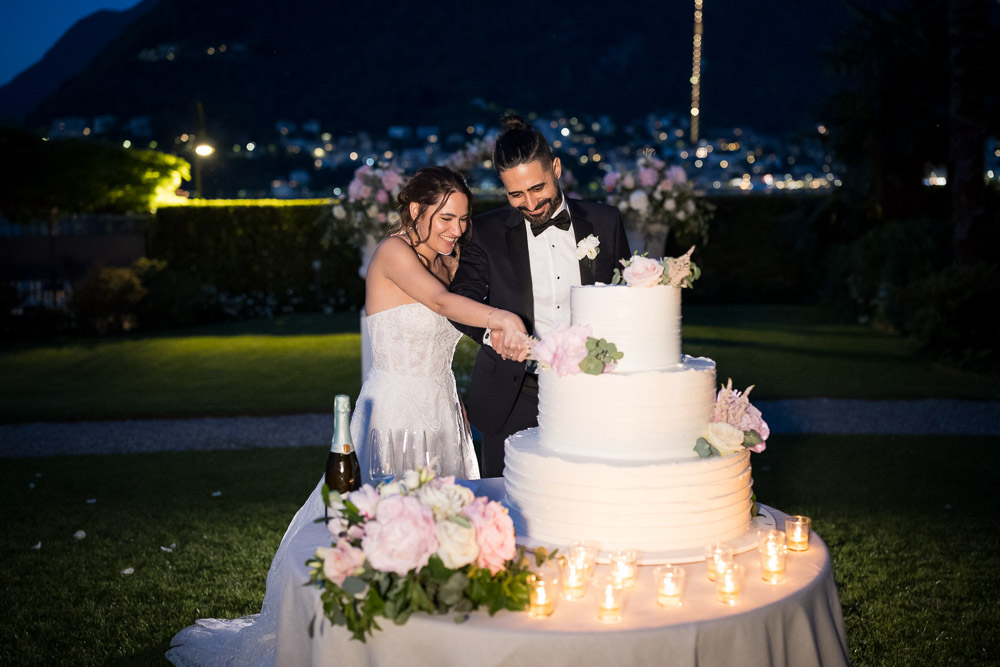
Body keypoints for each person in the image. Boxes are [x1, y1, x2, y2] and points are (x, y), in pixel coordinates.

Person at [165, 166, 528, 666]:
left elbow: (460, 320)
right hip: (393, 411)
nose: (457, 229)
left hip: (443, 409)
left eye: (464, 219)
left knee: (442, 528)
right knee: (381, 528)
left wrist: (499, 336)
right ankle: (370, 641)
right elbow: (442, 302)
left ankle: (429, 636)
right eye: (446, 218)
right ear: (416, 210)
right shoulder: (393, 252)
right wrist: (503, 318)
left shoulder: (453, 258)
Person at [449, 113, 631, 477]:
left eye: (538, 188)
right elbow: (461, 298)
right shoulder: (484, 232)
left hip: (591, 389)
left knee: (588, 490)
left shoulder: (605, 221)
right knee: (509, 499)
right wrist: (492, 333)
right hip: (513, 393)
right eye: (515, 194)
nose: (531, 203)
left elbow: (626, 299)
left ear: (556, 168)